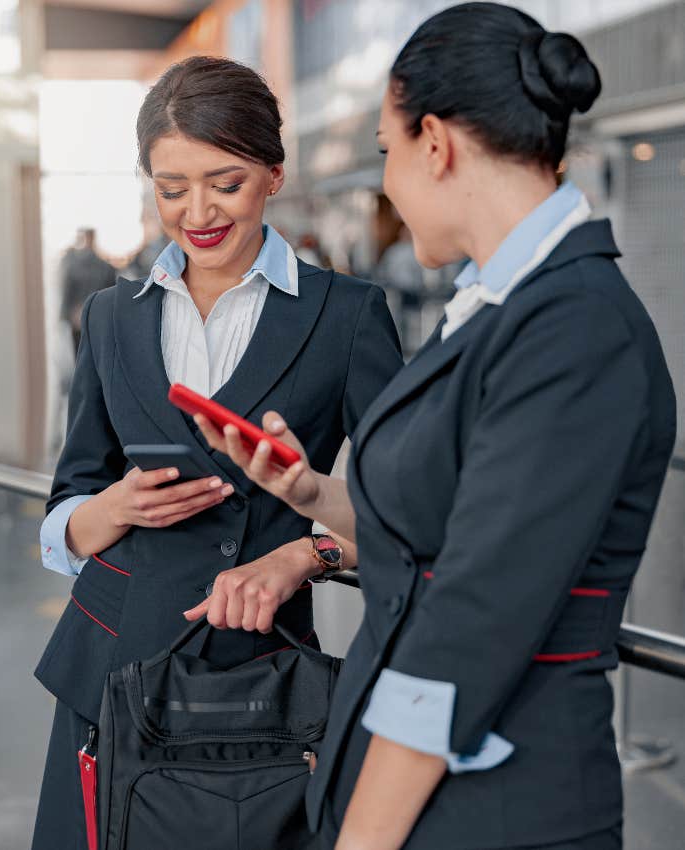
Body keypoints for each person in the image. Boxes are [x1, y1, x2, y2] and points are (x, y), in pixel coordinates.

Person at [194, 5, 677, 850]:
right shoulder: (495, 308)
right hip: (426, 802)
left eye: (386, 152)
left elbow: (470, 623)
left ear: (436, 143)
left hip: (497, 813)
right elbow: (435, 534)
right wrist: (308, 490)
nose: (385, 183)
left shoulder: (575, 332)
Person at [31, 56, 402, 849]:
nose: (196, 210)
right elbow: (67, 505)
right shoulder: (110, 318)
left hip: (258, 680)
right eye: (171, 188)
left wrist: (304, 555)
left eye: (223, 182)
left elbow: (405, 515)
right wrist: (109, 508)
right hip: (108, 671)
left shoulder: (346, 318)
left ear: (273, 174)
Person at [59, 227, 116, 352]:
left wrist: (66, 315)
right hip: (93, 318)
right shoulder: (106, 267)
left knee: (81, 355)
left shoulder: (74, 266)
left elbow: (68, 293)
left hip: (86, 318)